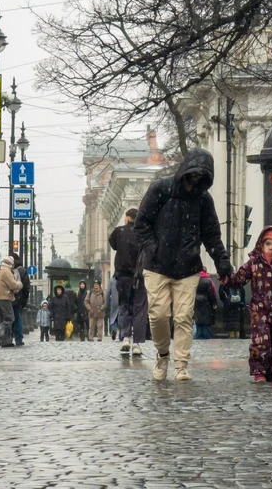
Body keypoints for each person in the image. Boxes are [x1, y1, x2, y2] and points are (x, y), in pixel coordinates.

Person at [134, 148, 232, 381]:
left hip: (188, 267)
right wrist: (154, 249)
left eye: (201, 176)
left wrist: (223, 263)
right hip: (157, 266)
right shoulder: (161, 189)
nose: (196, 179)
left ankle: (181, 364)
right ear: (185, 170)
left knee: (184, 317)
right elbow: (142, 224)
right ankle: (163, 354)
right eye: (193, 174)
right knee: (157, 315)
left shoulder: (203, 200)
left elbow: (212, 235)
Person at [222, 227, 272, 382]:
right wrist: (227, 278)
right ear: (262, 244)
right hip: (259, 310)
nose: (271, 247)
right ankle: (259, 371)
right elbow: (239, 278)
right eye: (268, 243)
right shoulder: (253, 263)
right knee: (260, 340)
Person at [110, 208, 148, 355]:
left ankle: (126, 337)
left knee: (124, 306)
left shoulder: (118, 232)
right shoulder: (143, 233)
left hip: (123, 276)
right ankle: (137, 343)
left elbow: (113, 244)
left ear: (126, 218)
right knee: (139, 308)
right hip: (139, 275)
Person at [0, 256, 23, 347]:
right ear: (10, 264)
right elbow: (13, 285)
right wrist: (20, 284)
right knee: (10, 319)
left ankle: (6, 342)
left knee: (4, 319)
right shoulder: (6, 272)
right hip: (4, 297)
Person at [11, 252, 31, 347]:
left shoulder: (9, 270)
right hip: (19, 298)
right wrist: (24, 299)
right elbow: (26, 286)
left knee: (10, 318)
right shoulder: (22, 270)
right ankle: (18, 339)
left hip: (10, 297)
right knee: (18, 318)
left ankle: (9, 337)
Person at [193, 269, 218, 339]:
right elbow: (211, 294)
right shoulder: (208, 281)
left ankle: (198, 336)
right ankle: (207, 337)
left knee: (198, 320)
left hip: (196, 302)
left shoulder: (195, 280)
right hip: (206, 303)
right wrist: (214, 303)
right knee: (206, 321)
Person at [107, 274, 120, 340]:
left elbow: (108, 292)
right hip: (122, 300)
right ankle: (122, 334)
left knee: (113, 317)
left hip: (114, 301)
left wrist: (107, 302)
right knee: (121, 316)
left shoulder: (111, 280)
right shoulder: (123, 278)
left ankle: (114, 329)